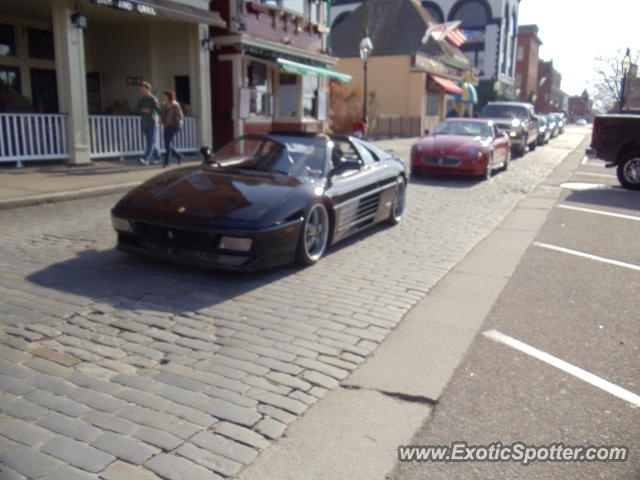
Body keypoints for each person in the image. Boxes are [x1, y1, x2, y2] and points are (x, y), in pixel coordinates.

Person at [136, 81, 161, 165]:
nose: (141, 91)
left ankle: (145, 159)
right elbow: (136, 109)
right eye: (140, 89)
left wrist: (151, 111)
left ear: (148, 89)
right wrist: (142, 110)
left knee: (150, 142)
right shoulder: (141, 99)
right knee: (150, 142)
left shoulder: (153, 99)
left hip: (152, 123)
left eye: (143, 89)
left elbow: (158, 110)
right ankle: (158, 157)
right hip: (144, 123)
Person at [161, 90, 184, 168]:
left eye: (165, 96)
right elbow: (163, 115)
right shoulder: (164, 105)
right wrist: (162, 120)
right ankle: (178, 156)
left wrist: (174, 120)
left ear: (168, 96)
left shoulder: (175, 104)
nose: (164, 97)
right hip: (167, 126)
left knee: (167, 144)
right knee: (167, 144)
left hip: (174, 126)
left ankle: (166, 162)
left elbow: (180, 116)